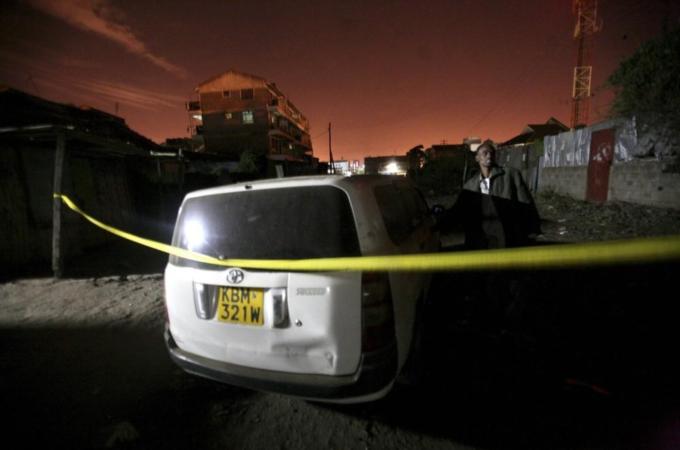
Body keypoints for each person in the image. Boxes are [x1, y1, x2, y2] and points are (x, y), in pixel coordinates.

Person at [448, 139, 541, 249]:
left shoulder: (510, 175)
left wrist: (533, 228)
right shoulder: (470, 185)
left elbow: (525, 202)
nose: (489, 156)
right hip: (482, 233)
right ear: (477, 158)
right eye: (485, 153)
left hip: (506, 230)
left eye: (492, 153)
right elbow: (460, 211)